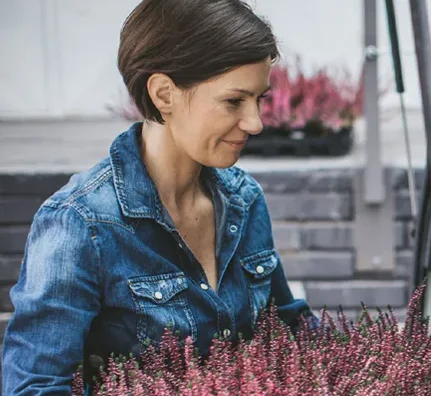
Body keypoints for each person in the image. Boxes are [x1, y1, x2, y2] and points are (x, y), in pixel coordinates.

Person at [1, 0, 314, 393]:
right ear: (164, 94)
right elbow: (35, 385)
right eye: (234, 101)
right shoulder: (79, 224)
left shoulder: (243, 199)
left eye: (260, 99)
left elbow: (291, 333)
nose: (255, 122)